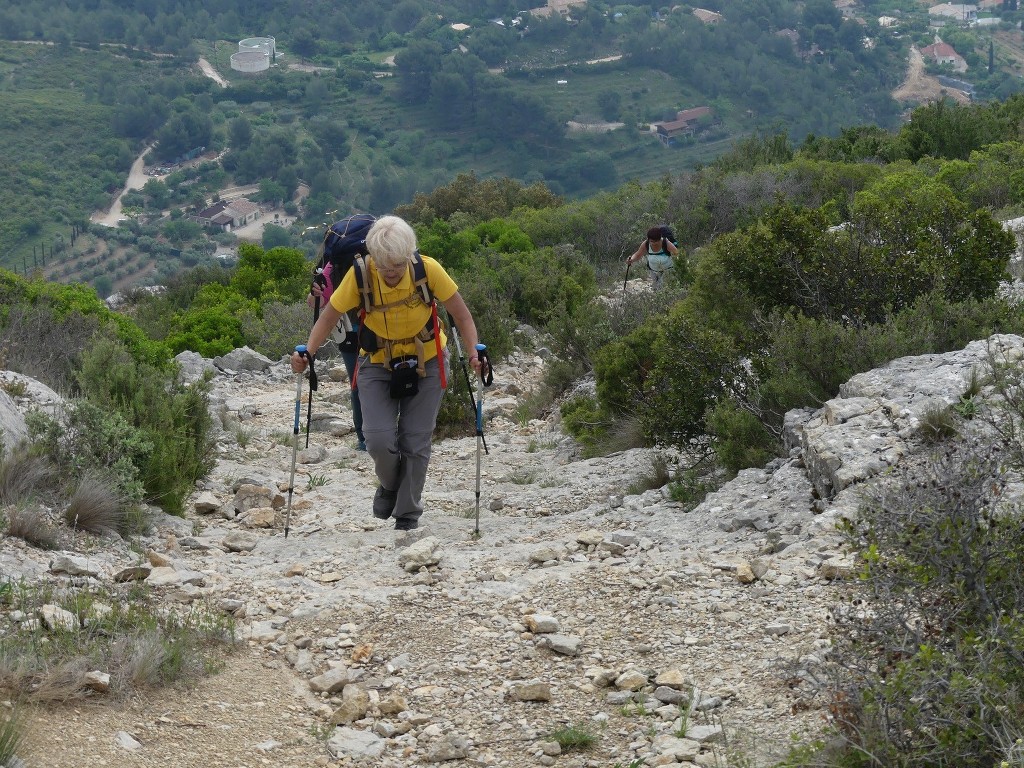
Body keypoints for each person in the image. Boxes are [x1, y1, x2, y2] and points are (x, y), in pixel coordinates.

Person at [291, 215, 484, 531]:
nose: (391, 272)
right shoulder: (360, 275)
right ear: (372, 258)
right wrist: (307, 354)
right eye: (384, 265)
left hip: (429, 360)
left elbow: (462, 316)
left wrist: (475, 351)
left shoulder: (428, 270)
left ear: (409, 254)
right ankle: (391, 485)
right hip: (376, 361)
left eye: (397, 265)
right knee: (377, 438)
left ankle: (407, 514)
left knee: (415, 439)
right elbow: (328, 317)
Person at [308, 264, 365, 451]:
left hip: (348, 332)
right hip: (376, 330)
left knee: (357, 385)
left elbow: (314, 302)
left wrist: (316, 292)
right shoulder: (378, 258)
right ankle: (383, 435)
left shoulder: (332, 265)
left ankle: (363, 439)